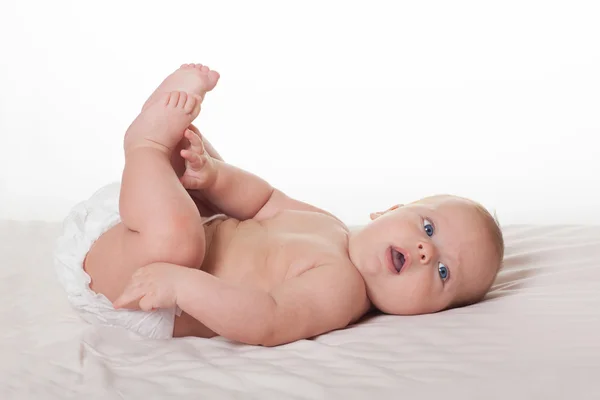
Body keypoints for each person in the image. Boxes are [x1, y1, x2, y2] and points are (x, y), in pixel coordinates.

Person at [54, 63, 504, 346]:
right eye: (427, 228)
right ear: (388, 211)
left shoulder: (342, 290)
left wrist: (182, 286)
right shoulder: (328, 226)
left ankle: (148, 143)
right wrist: (214, 176)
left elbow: (268, 320)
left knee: (181, 245)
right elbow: (264, 201)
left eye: (444, 272)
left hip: (137, 286)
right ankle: (178, 149)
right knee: (206, 178)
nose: (427, 252)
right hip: (134, 226)